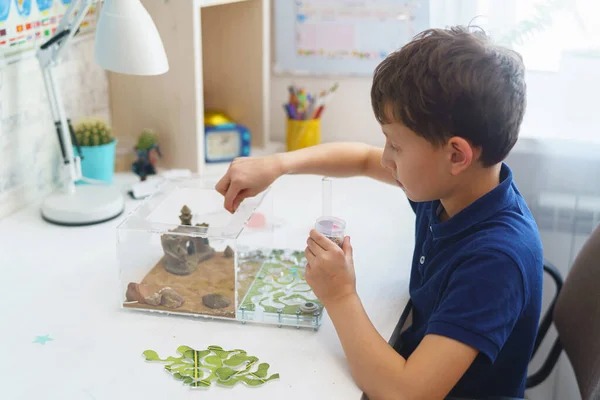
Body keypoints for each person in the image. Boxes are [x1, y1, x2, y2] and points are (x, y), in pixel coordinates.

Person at [216, 26, 543, 400]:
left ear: (456, 155)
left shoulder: (495, 260)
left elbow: (406, 392)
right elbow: (360, 158)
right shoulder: (455, 189)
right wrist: (276, 165)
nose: (385, 158)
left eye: (396, 146)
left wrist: (339, 294)